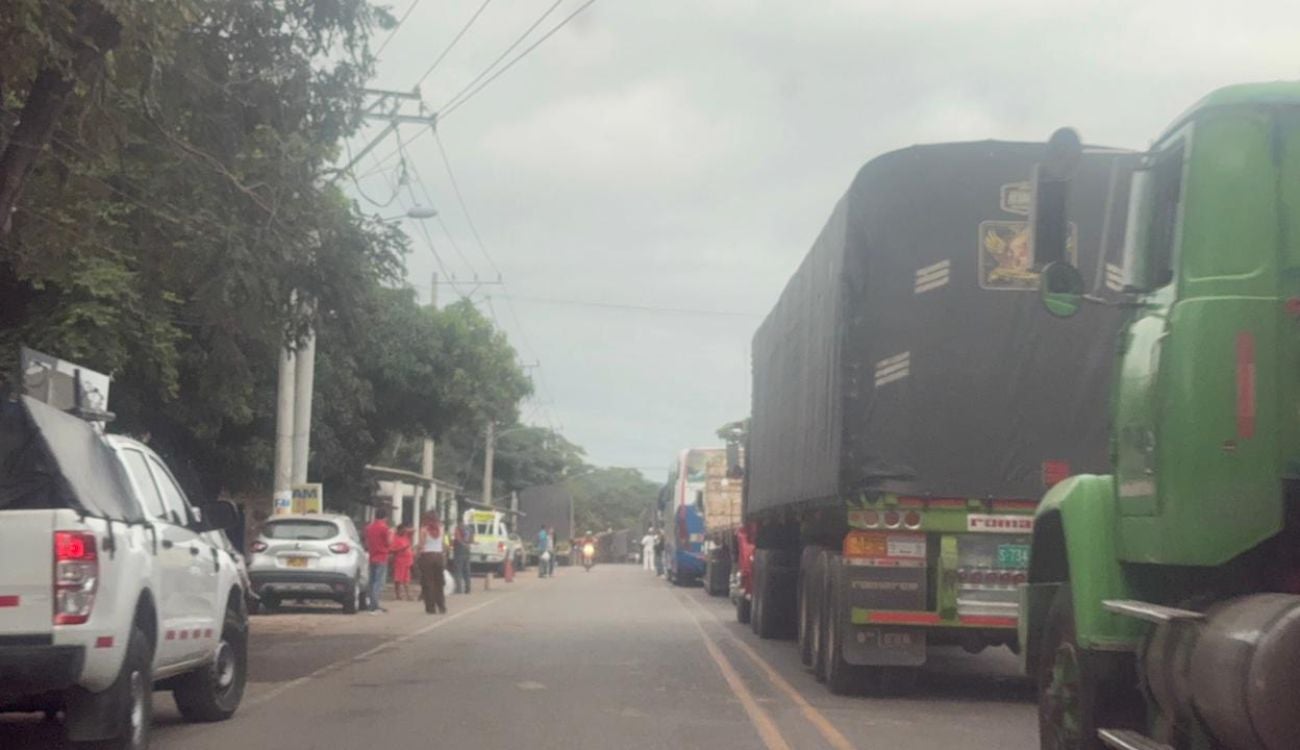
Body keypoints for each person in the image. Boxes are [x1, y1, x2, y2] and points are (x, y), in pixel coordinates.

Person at [415, 512, 447, 614]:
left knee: (428, 583)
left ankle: (430, 608)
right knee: (439, 583)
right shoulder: (441, 528)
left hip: (427, 557)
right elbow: (442, 544)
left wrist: (416, 554)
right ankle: (441, 606)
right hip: (438, 557)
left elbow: (421, 545)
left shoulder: (424, 529)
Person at [363, 508, 393, 613]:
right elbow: (388, 543)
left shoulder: (369, 528)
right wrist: (391, 535)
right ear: (385, 517)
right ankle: (374, 605)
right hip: (382, 556)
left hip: (372, 556)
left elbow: (366, 543)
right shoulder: (385, 528)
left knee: (371, 581)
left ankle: (370, 602)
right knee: (378, 582)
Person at [390, 523, 415, 601]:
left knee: (406, 579)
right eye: (402, 531)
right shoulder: (394, 537)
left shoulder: (406, 536)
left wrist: (405, 529)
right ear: (399, 530)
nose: (404, 532)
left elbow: (414, 530)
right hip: (399, 561)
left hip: (407, 561)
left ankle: (408, 595)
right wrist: (401, 549)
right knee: (398, 579)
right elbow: (391, 550)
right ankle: (398, 595)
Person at [452, 517, 474, 594]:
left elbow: (457, 538)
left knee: (458, 570)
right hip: (467, 550)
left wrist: (461, 544)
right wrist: (467, 544)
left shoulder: (458, 528)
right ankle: (468, 588)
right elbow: (472, 540)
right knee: (467, 570)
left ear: (458, 522)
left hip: (459, 550)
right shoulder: (470, 529)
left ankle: (459, 589)